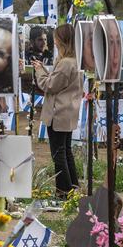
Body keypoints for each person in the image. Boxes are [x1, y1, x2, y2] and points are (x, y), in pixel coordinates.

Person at [31, 24, 84, 198]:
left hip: (58, 113)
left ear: (61, 41)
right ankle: (73, 187)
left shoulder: (66, 63)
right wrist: (44, 69)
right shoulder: (74, 61)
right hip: (67, 112)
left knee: (58, 154)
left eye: (55, 38)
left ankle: (63, 192)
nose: (54, 41)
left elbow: (50, 85)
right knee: (66, 151)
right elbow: (57, 81)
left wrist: (39, 71)